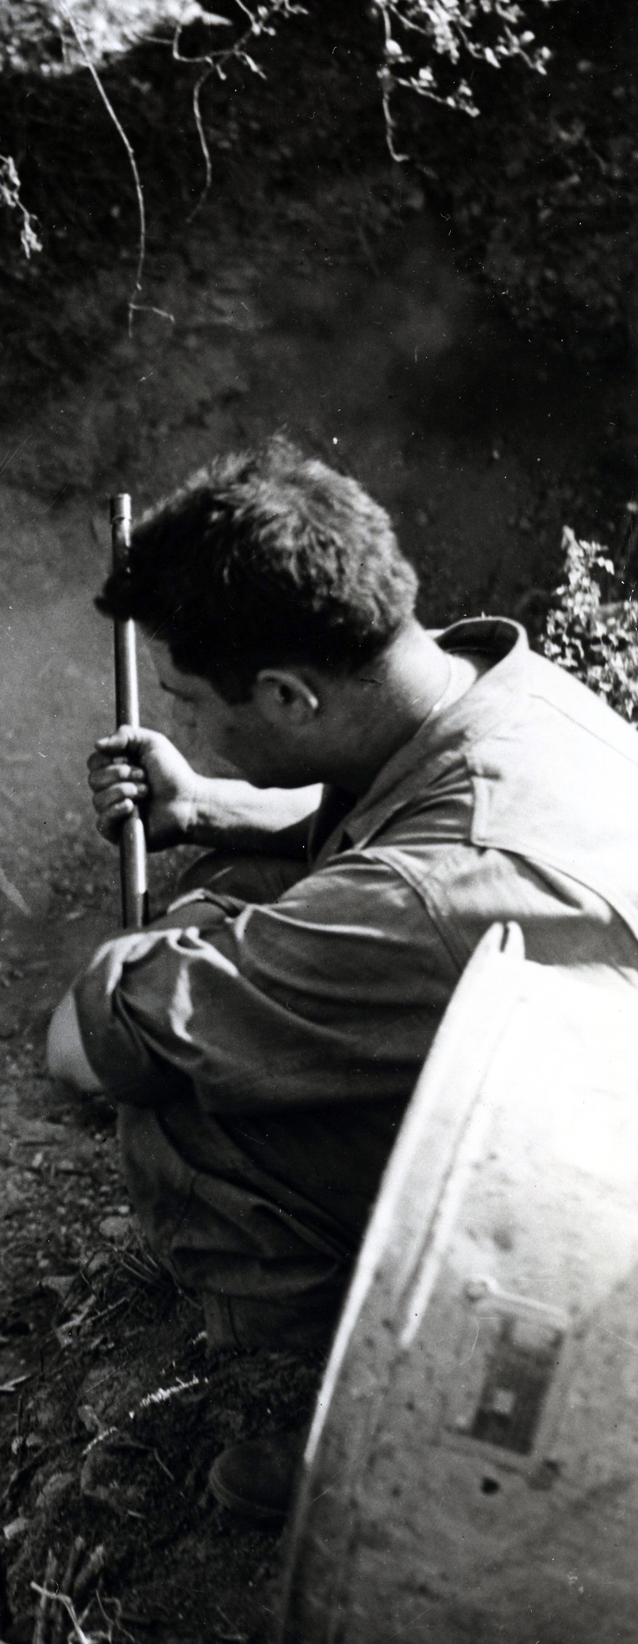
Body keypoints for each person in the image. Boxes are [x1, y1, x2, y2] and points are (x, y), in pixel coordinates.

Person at [46, 437, 638, 1519]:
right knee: (243, 882)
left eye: (189, 701)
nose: (182, 726)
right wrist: (213, 803)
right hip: (596, 1123)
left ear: (287, 693)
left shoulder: (418, 903)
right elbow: (406, 815)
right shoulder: (505, 692)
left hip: (598, 1288)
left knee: (182, 1114)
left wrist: (187, 923)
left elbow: (85, 1047)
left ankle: (355, 1442)